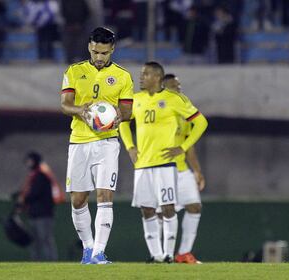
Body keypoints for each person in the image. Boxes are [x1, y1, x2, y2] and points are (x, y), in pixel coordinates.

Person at [119, 62, 208, 263]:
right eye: (141, 74)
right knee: (147, 210)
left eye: (146, 74)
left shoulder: (174, 99)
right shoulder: (136, 99)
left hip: (166, 165)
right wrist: (130, 147)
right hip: (142, 165)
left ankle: (169, 254)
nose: (141, 78)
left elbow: (201, 122)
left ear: (157, 77)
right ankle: (156, 256)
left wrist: (183, 148)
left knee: (168, 208)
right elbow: (123, 122)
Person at [60, 27, 133, 264]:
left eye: (103, 53)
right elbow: (65, 104)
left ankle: (100, 253)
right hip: (79, 141)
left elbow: (128, 111)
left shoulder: (123, 76)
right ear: (89, 47)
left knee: (104, 195)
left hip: (107, 142)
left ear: (112, 49)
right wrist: (81, 110)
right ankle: (88, 250)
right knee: (78, 200)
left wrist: (116, 116)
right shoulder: (74, 71)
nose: (99, 57)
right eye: (94, 52)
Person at [160, 73, 205, 264]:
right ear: (163, 88)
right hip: (161, 169)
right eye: (174, 87)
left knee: (194, 207)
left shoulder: (184, 114)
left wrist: (197, 171)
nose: (178, 90)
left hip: (181, 168)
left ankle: (184, 253)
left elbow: (189, 146)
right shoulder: (158, 111)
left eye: (179, 87)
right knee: (163, 213)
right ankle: (162, 254)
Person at [18, 151, 58, 261]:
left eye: (30, 161)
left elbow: (35, 193)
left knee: (45, 239)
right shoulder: (34, 176)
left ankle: (52, 262)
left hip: (43, 215)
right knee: (35, 241)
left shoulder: (41, 176)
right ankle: (36, 263)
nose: (28, 163)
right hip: (34, 214)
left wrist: (23, 199)